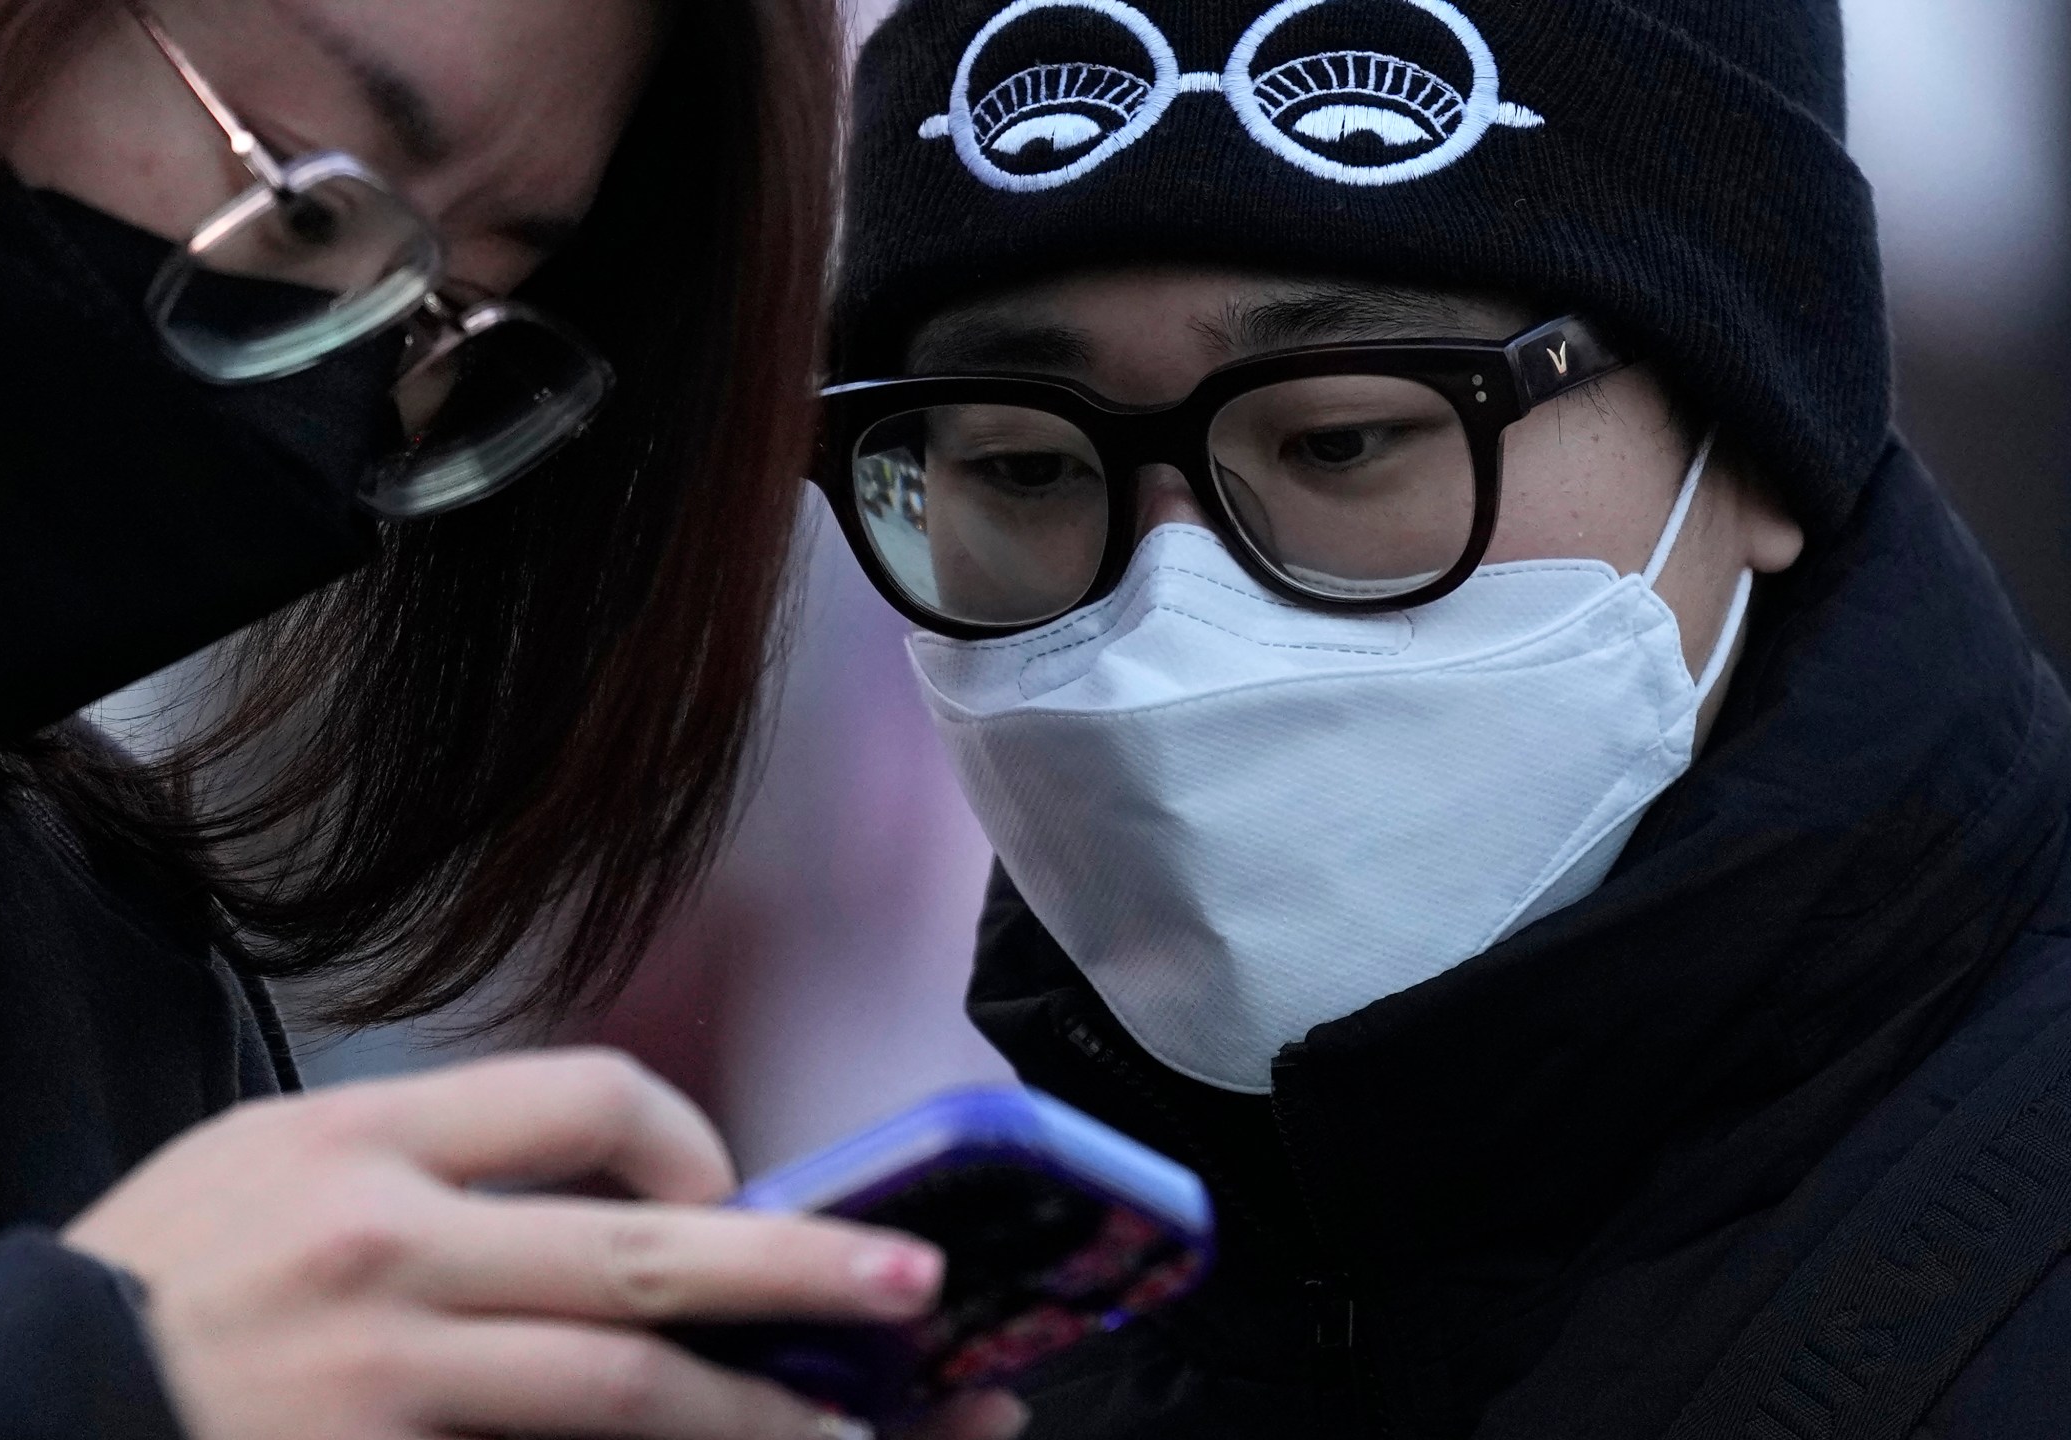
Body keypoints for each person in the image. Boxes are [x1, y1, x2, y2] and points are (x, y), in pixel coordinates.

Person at [0, 0, 1027, 1436]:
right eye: (304, 197)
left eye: (455, 317)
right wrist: (86, 1387)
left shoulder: (98, 979)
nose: (341, 383)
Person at [820, 0, 2071, 1434]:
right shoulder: (942, 1362)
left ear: (1757, 431)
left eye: (1340, 438)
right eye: (1025, 466)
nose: (1168, 625)